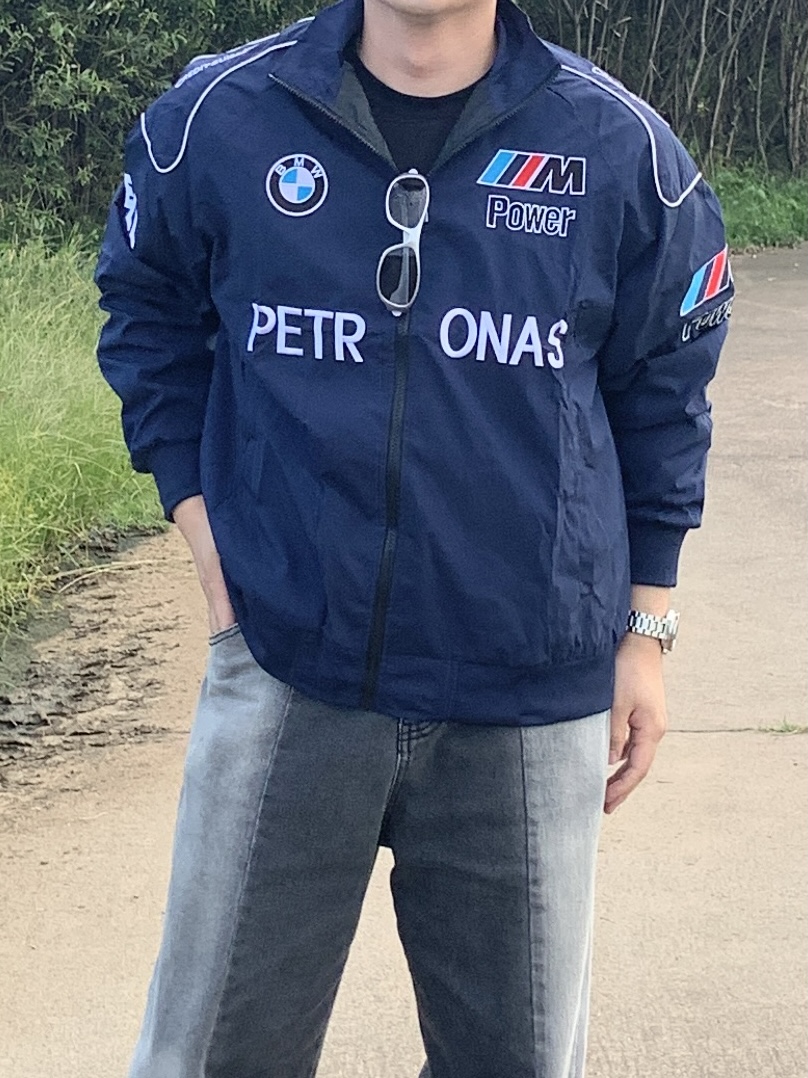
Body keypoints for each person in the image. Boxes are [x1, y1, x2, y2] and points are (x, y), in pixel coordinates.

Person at [95, 0, 733, 1074]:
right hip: (290, 670)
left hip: (525, 693)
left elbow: (665, 391)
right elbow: (147, 314)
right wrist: (206, 538)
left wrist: (647, 630)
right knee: (210, 1056)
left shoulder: (623, 152)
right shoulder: (217, 118)